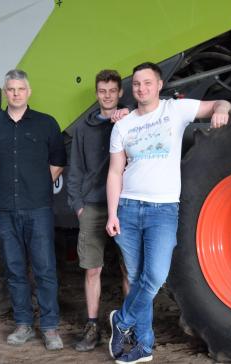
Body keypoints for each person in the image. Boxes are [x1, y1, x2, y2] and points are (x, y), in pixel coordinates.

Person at [105, 62, 231, 363]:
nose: (141, 88)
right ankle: (143, 346)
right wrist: (112, 214)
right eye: (136, 84)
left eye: (147, 83)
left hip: (163, 210)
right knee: (137, 280)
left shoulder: (175, 110)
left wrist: (221, 110)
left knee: (155, 277)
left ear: (159, 85)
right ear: (131, 88)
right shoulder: (122, 125)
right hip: (128, 207)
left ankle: (121, 322)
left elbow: (219, 101)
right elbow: (114, 173)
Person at [0, 69, 66, 351]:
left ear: (28, 92)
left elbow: (57, 162)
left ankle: (50, 328)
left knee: (45, 269)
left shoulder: (46, 124)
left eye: (20, 89)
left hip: (38, 208)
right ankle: (23, 325)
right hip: (3, 210)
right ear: (5, 93)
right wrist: (7, 184)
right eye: (11, 89)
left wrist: (36, 185)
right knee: (15, 270)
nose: (15, 93)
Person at [67, 70, 130, 352]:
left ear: (120, 94)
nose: (107, 95)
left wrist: (129, 114)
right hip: (92, 206)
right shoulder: (83, 129)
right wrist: (78, 206)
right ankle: (92, 326)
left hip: (126, 205)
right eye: (102, 91)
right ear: (96, 94)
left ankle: (129, 327)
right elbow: (76, 170)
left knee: (129, 269)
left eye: (112, 90)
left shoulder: (131, 121)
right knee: (93, 269)